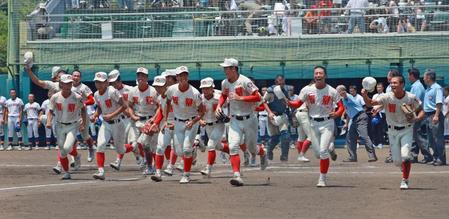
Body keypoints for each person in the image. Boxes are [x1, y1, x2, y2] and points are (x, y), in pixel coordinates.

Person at [362, 75, 425, 189]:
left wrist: (416, 118)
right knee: (396, 161)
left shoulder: (411, 97)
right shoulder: (387, 97)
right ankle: (404, 168)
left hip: (407, 129)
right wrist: (365, 95)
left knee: (405, 156)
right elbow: (370, 103)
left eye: (395, 83)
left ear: (402, 84)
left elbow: (421, 111)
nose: (392, 85)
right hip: (392, 131)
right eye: (391, 83)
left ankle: (405, 180)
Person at [288, 66, 345, 187]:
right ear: (314, 76)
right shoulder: (306, 90)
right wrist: (288, 102)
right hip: (313, 123)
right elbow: (297, 103)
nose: (318, 75)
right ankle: (330, 147)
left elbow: (341, 106)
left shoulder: (332, 91)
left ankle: (322, 179)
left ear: (325, 76)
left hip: (327, 123)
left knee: (322, 152)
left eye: (320, 73)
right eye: (316, 73)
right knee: (318, 154)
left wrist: (337, 113)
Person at [216, 58, 268, 186]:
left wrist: (241, 98)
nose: (224, 70)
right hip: (234, 120)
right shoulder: (225, 83)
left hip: (249, 119)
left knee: (251, 149)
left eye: (226, 68)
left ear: (234, 68)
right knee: (233, 147)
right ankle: (237, 175)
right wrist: (219, 105)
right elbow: (223, 95)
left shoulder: (245, 81)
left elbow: (257, 96)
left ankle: (262, 151)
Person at [165, 66, 205, 184]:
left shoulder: (195, 92)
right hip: (177, 122)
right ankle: (196, 145)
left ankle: (186, 175)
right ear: (176, 77)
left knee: (186, 149)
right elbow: (167, 103)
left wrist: (193, 121)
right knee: (178, 151)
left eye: (185, 75)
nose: (183, 77)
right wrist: (167, 119)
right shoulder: (171, 90)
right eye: (180, 75)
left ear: (187, 76)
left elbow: (202, 111)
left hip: (191, 122)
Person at [47, 74, 86, 180]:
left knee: (67, 147)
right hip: (59, 126)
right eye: (66, 83)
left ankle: (76, 156)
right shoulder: (55, 97)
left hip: (72, 125)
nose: (68, 85)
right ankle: (67, 172)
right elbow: (50, 111)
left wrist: (82, 123)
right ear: (61, 84)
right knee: (63, 150)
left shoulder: (77, 97)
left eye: (70, 83)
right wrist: (49, 122)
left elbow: (83, 109)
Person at [90, 72, 128, 180]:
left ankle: (133, 147)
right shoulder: (96, 94)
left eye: (101, 82)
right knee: (100, 145)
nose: (99, 84)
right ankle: (101, 171)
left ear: (107, 82)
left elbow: (124, 106)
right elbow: (100, 107)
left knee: (120, 150)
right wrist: (96, 115)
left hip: (117, 123)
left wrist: (112, 115)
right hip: (106, 124)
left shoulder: (112, 91)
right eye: (97, 82)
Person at [126, 67, 159, 174]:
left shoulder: (153, 91)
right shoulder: (133, 91)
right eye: (139, 75)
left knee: (148, 144)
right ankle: (148, 162)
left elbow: (160, 107)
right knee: (139, 143)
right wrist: (133, 116)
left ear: (147, 78)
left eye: (143, 76)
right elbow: (129, 105)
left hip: (150, 119)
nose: (141, 78)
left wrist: (155, 120)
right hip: (138, 120)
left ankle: (151, 166)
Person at [336, 85, 377, 162]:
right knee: (349, 137)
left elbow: (345, 95)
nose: (336, 92)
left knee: (364, 136)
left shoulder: (347, 96)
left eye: (337, 91)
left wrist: (343, 93)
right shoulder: (343, 99)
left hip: (361, 117)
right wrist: (347, 124)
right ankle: (352, 157)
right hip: (354, 119)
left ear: (342, 92)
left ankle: (372, 156)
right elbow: (348, 113)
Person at [263, 75, 291, 162]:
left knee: (286, 136)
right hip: (273, 116)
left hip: (282, 115)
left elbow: (288, 103)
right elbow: (264, 102)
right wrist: (270, 112)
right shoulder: (270, 91)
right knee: (275, 138)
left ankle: (284, 156)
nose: (282, 83)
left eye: (283, 81)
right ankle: (269, 151)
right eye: (280, 81)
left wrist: (291, 115)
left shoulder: (285, 90)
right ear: (276, 82)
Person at [408, 68, 432, 163]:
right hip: (417, 113)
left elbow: (417, 102)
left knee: (419, 136)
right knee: (415, 135)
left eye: (409, 75)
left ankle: (428, 156)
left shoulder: (417, 86)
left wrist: (410, 112)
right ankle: (414, 155)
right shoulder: (416, 85)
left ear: (413, 75)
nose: (408, 77)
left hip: (419, 113)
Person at [71, 70, 96, 162]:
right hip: (71, 114)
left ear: (80, 78)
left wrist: (83, 103)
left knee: (85, 135)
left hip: (83, 113)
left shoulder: (84, 87)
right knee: (71, 136)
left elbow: (92, 100)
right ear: (71, 76)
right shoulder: (68, 86)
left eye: (78, 76)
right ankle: (73, 157)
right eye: (74, 76)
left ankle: (91, 148)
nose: (76, 77)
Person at [423, 69, 446, 166]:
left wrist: (436, 115)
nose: (423, 78)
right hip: (427, 115)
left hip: (434, 115)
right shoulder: (428, 88)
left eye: (424, 77)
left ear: (428, 77)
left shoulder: (437, 88)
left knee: (438, 138)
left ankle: (441, 158)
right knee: (431, 139)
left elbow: (439, 103)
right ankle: (436, 157)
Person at [371, 82, 387, 148]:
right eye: (377, 87)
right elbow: (372, 103)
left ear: (383, 88)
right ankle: (375, 142)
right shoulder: (374, 95)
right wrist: (373, 111)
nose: (378, 89)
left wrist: (378, 110)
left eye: (380, 87)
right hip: (374, 113)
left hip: (382, 113)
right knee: (374, 128)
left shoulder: (385, 95)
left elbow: (384, 104)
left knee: (380, 128)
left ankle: (381, 143)